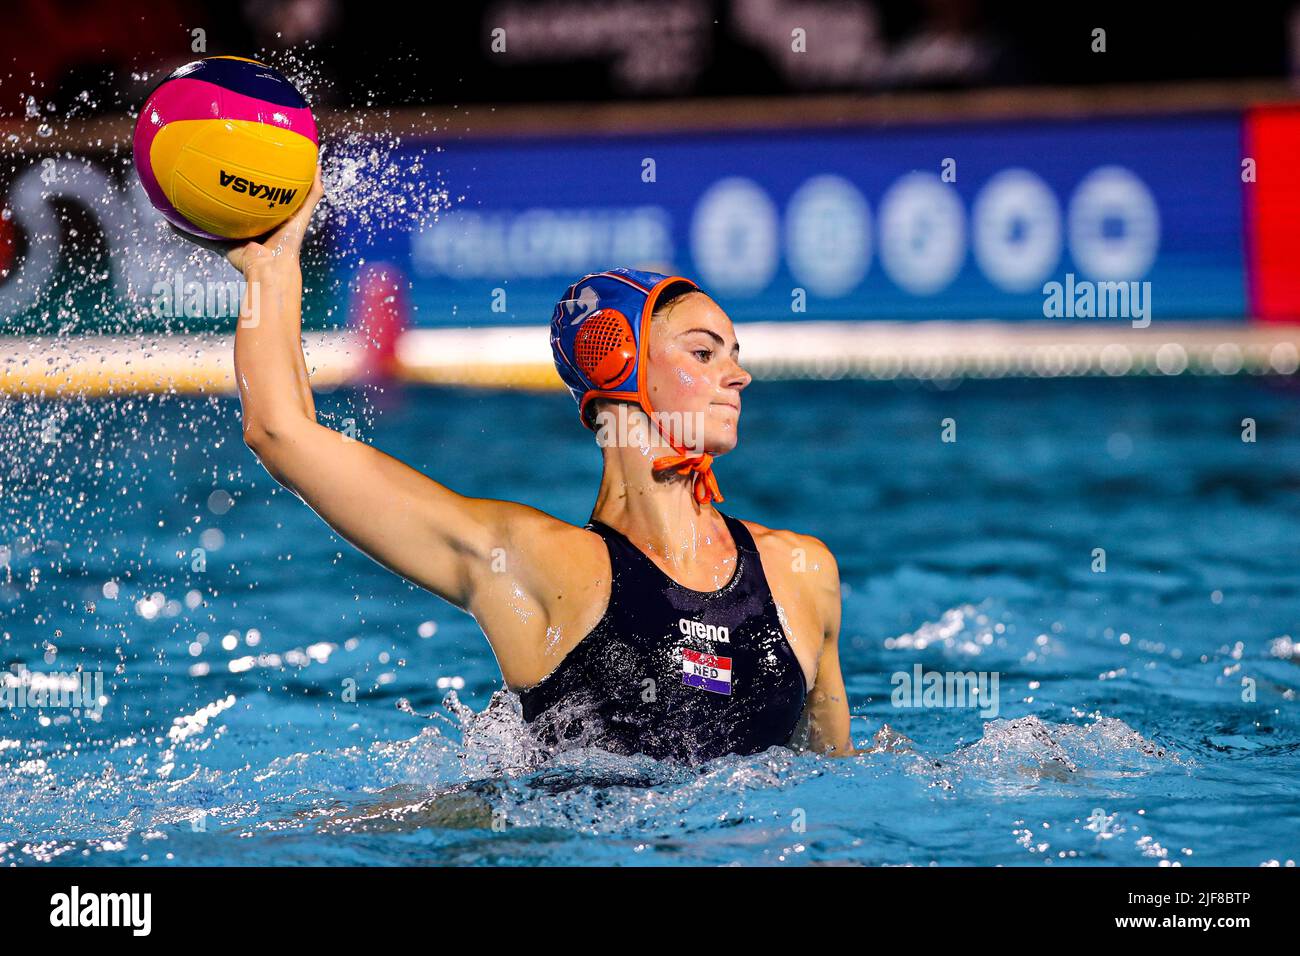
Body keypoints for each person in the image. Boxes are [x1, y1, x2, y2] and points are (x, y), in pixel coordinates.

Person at [190, 168, 860, 764]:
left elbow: (842, 792)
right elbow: (281, 433)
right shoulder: (533, 567)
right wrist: (273, 270)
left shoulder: (802, 576)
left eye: (734, 354)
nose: (738, 375)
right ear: (616, 363)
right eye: (705, 353)